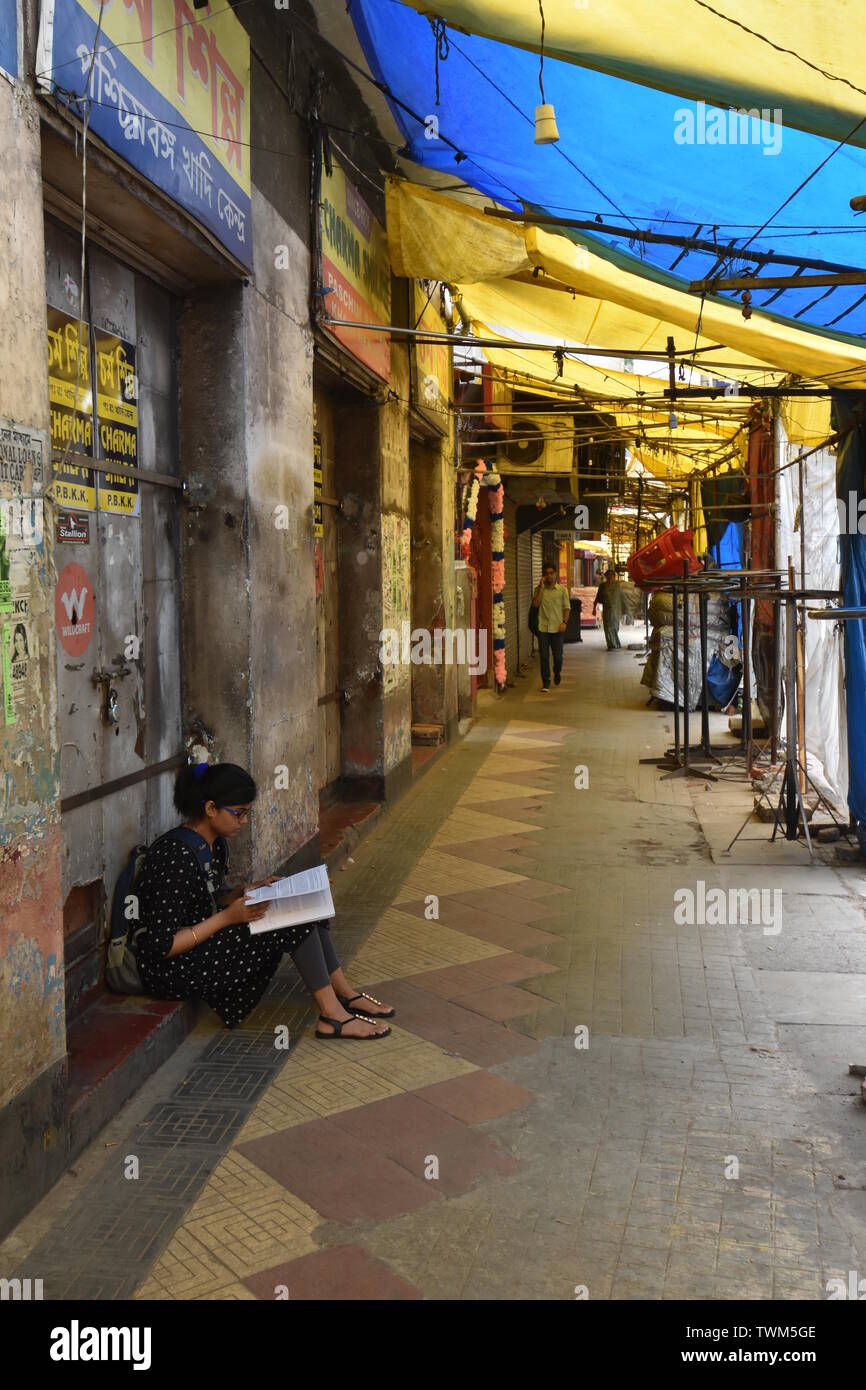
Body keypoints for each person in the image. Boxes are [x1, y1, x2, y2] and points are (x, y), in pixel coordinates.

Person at [133, 761, 393, 1038]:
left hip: (199, 943)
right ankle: (333, 1017)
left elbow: (203, 901)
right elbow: (162, 946)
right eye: (239, 813)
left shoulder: (213, 843)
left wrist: (243, 892)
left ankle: (344, 993)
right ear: (210, 809)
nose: (243, 822)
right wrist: (228, 917)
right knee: (288, 917)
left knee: (304, 904)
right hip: (169, 970)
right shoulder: (174, 857)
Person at [532, 562, 570, 690]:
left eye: (551, 573)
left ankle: (557, 672)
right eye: (547, 574)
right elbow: (536, 604)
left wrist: (564, 622)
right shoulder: (538, 590)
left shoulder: (562, 590)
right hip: (543, 628)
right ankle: (546, 681)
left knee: (558, 657)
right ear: (544, 576)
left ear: (555, 574)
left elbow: (567, 608)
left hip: (557, 628)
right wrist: (541, 588)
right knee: (544, 656)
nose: (549, 576)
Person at [593, 568, 625, 650]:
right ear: (606, 576)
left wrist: (625, 610)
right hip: (607, 610)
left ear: (614, 577)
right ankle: (611, 645)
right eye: (608, 576)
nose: (610, 577)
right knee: (608, 628)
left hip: (616, 611)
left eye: (611, 576)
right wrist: (594, 608)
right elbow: (598, 597)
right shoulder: (602, 586)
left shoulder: (617, 586)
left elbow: (622, 598)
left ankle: (615, 643)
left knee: (615, 628)